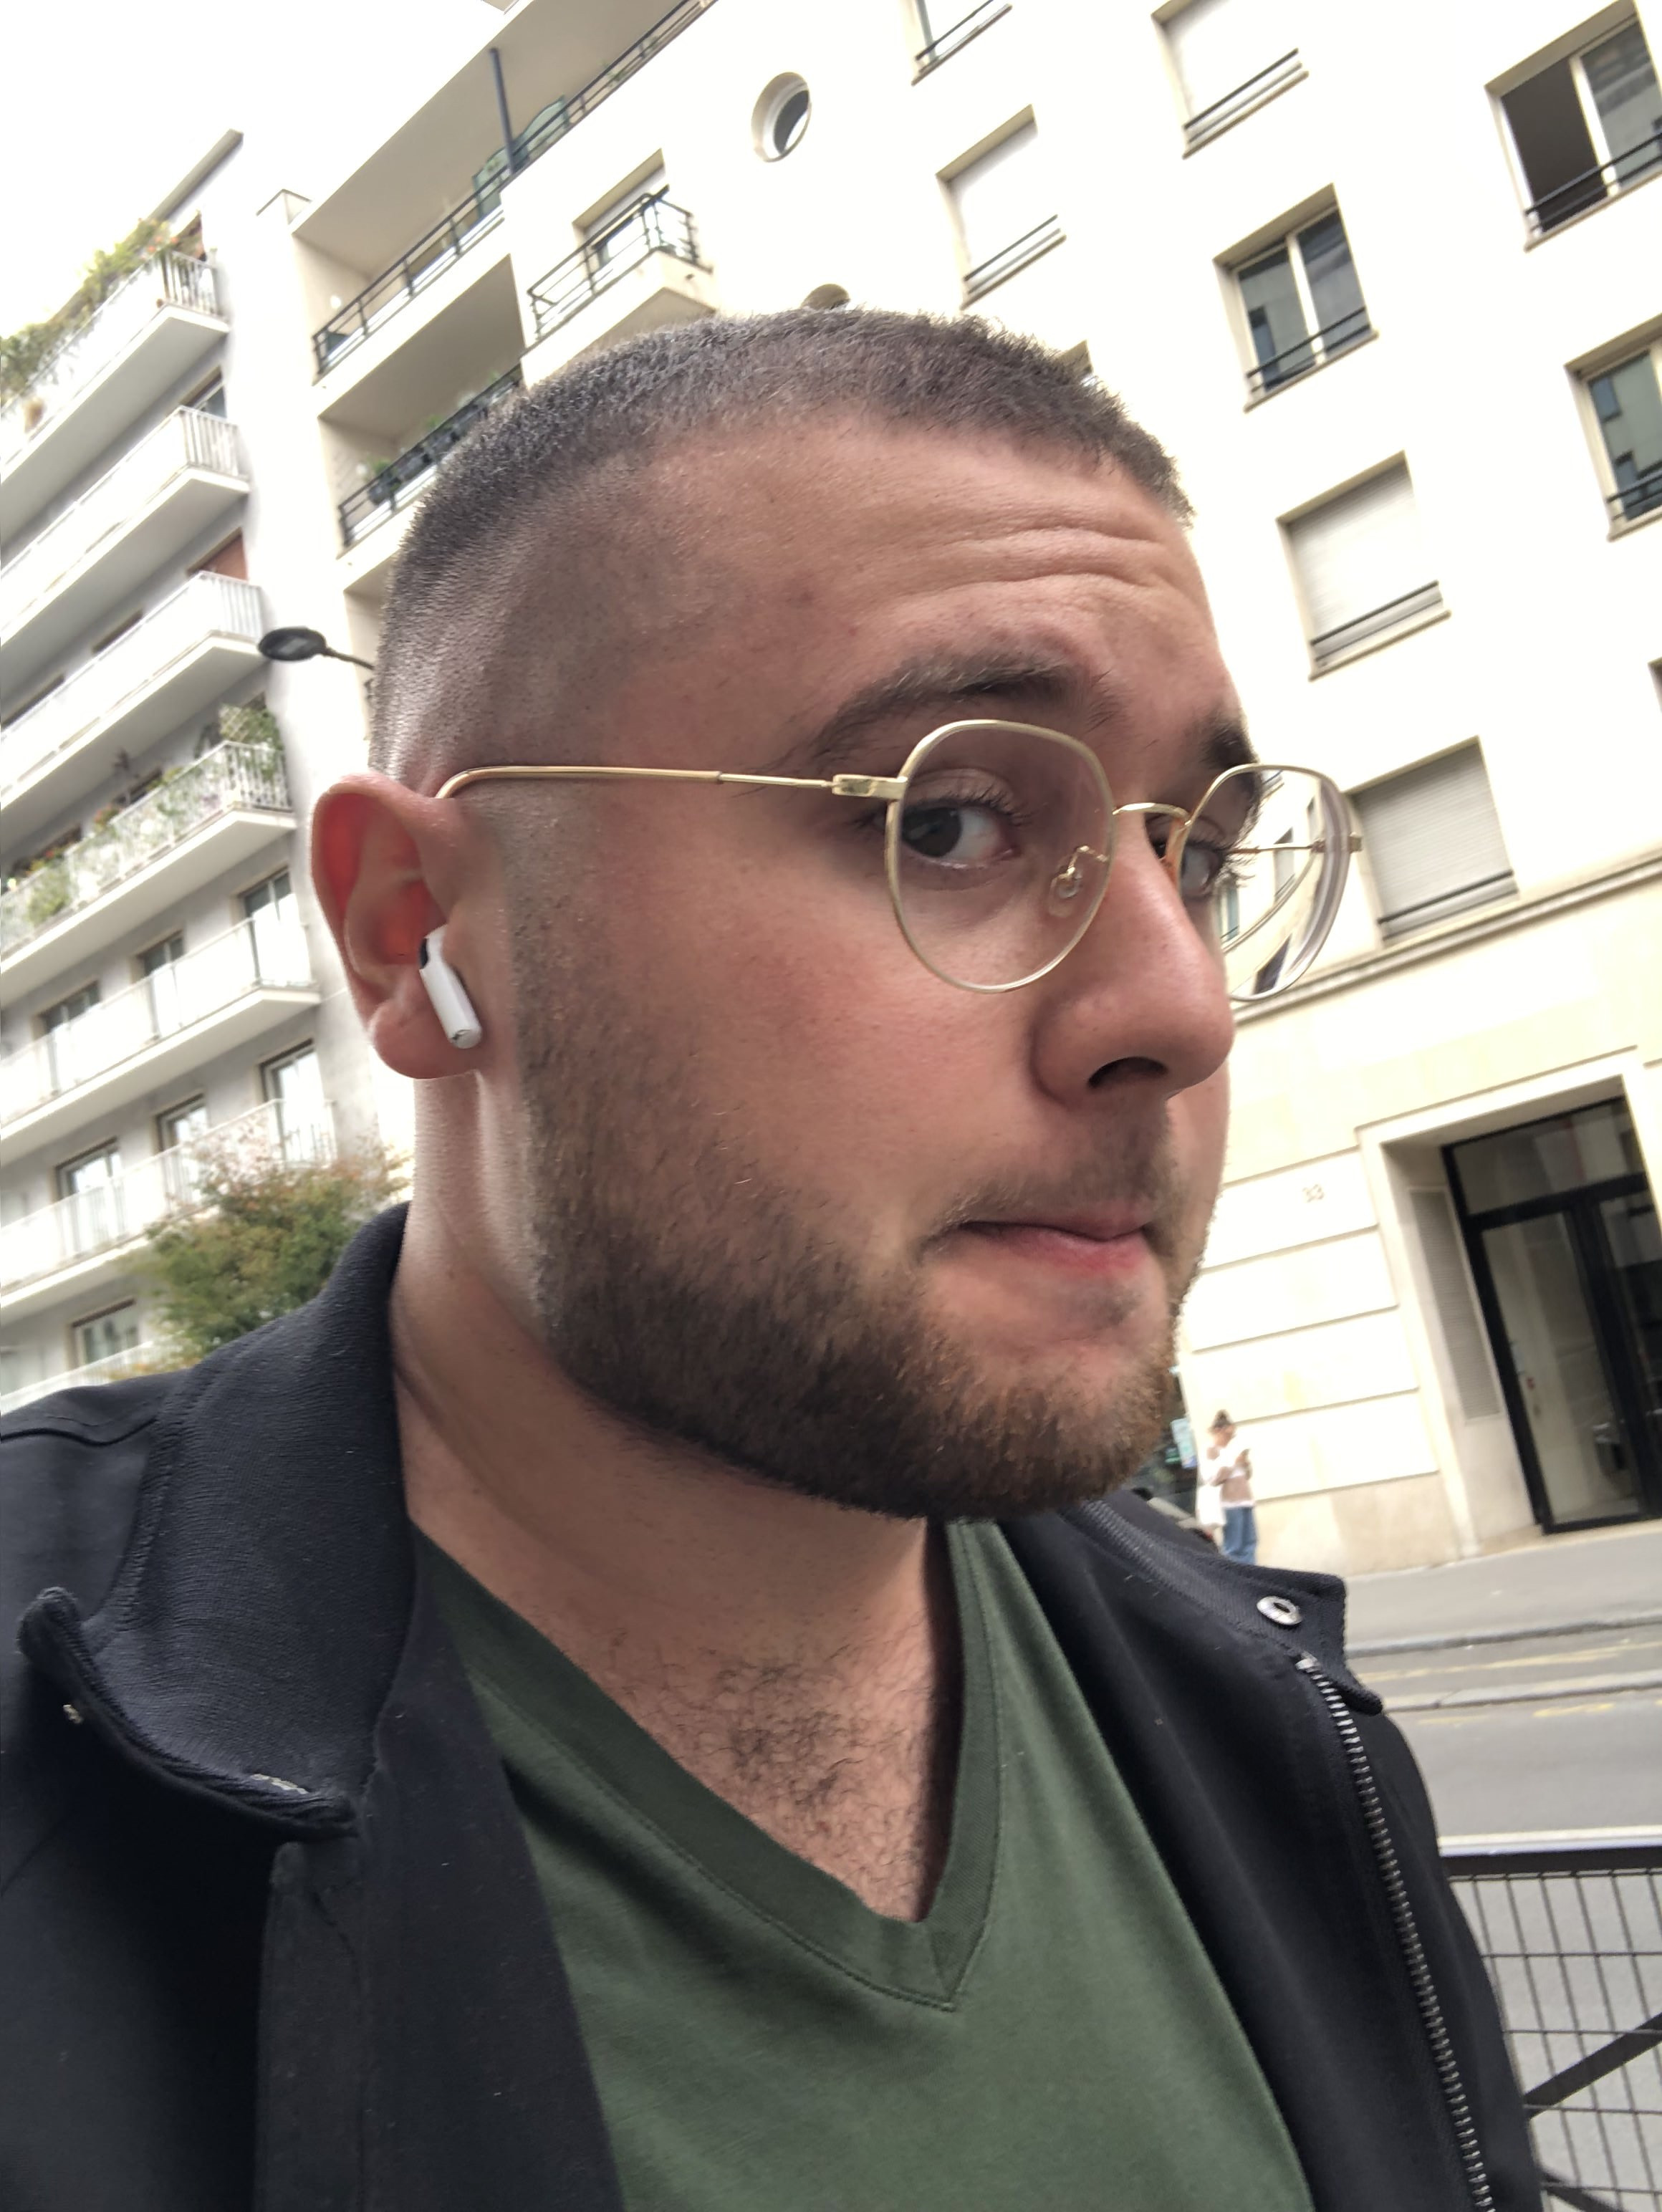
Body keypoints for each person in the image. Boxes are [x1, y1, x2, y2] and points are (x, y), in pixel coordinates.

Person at [0, 312, 1535, 2211]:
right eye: (949, 820)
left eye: (1199, 860)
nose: (1177, 1008)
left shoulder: (1271, 1710)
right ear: (413, 934)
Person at [1203, 1409, 1258, 1563]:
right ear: (1218, 1431)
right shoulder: (1211, 1451)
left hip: (1245, 1500)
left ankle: (1252, 1572)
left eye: (1232, 1435)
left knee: (1250, 1543)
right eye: (1228, 1434)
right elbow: (1212, 1478)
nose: (1230, 1437)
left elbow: (1247, 1475)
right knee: (1234, 1546)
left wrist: (1245, 1464)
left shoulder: (1233, 1449)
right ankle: (1237, 1574)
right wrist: (1233, 1463)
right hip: (1229, 1503)